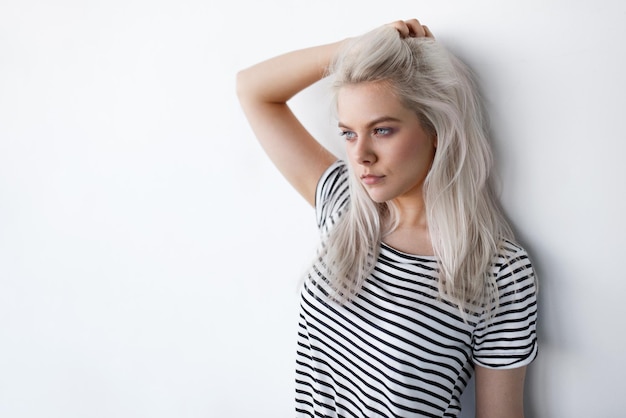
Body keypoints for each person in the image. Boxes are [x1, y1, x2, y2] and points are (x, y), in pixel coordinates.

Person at [236, 19, 537, 418]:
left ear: (436, 130)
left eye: (381, 130)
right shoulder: (345, 206)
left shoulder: (497, 271)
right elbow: (252, 89)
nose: (360, 155)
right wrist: (353, 48)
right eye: (348, 133)